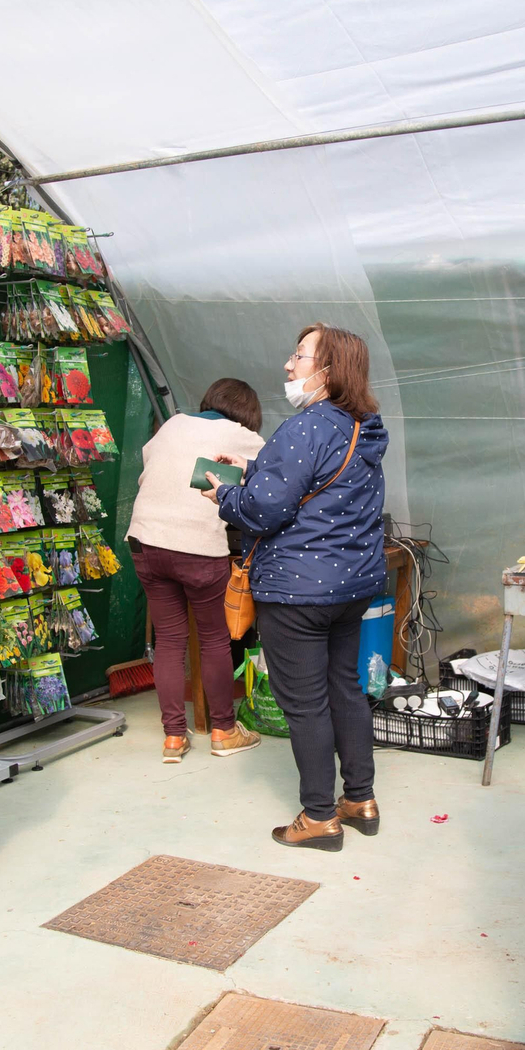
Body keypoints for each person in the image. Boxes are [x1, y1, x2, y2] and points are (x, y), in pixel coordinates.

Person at [201, 323, 389, 851]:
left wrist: (225, 495)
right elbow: (320, 487)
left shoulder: (305, 427)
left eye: (300, 356)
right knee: (344, 690)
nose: (289, 364)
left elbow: (263, 510)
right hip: (350, 588)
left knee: (304, 704)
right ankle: (360, 798)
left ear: (328, 372)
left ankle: (318, 816)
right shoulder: (363, 427)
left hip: (298, 591)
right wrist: (256, 466)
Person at [126, 379, 267, 763]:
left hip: (145, 539)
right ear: (248, 415)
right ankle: (223, 730)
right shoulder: (241, 435)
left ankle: (173, 737)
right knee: (214, 640)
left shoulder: (172, 424)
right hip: (196, 548)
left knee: (170, 641)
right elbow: (274, 477)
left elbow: (153, 466)